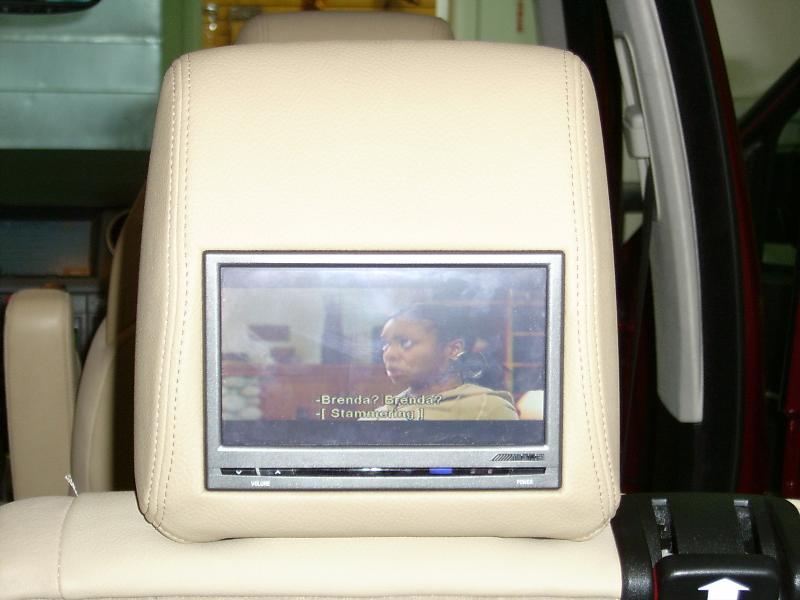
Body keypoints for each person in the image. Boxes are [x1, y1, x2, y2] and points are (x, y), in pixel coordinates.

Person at [377, 303, 518, 420]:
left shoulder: (488, 410)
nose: (388, 354)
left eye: (405, 342)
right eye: (386, 344)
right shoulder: (380, 416)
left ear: (453, 349)